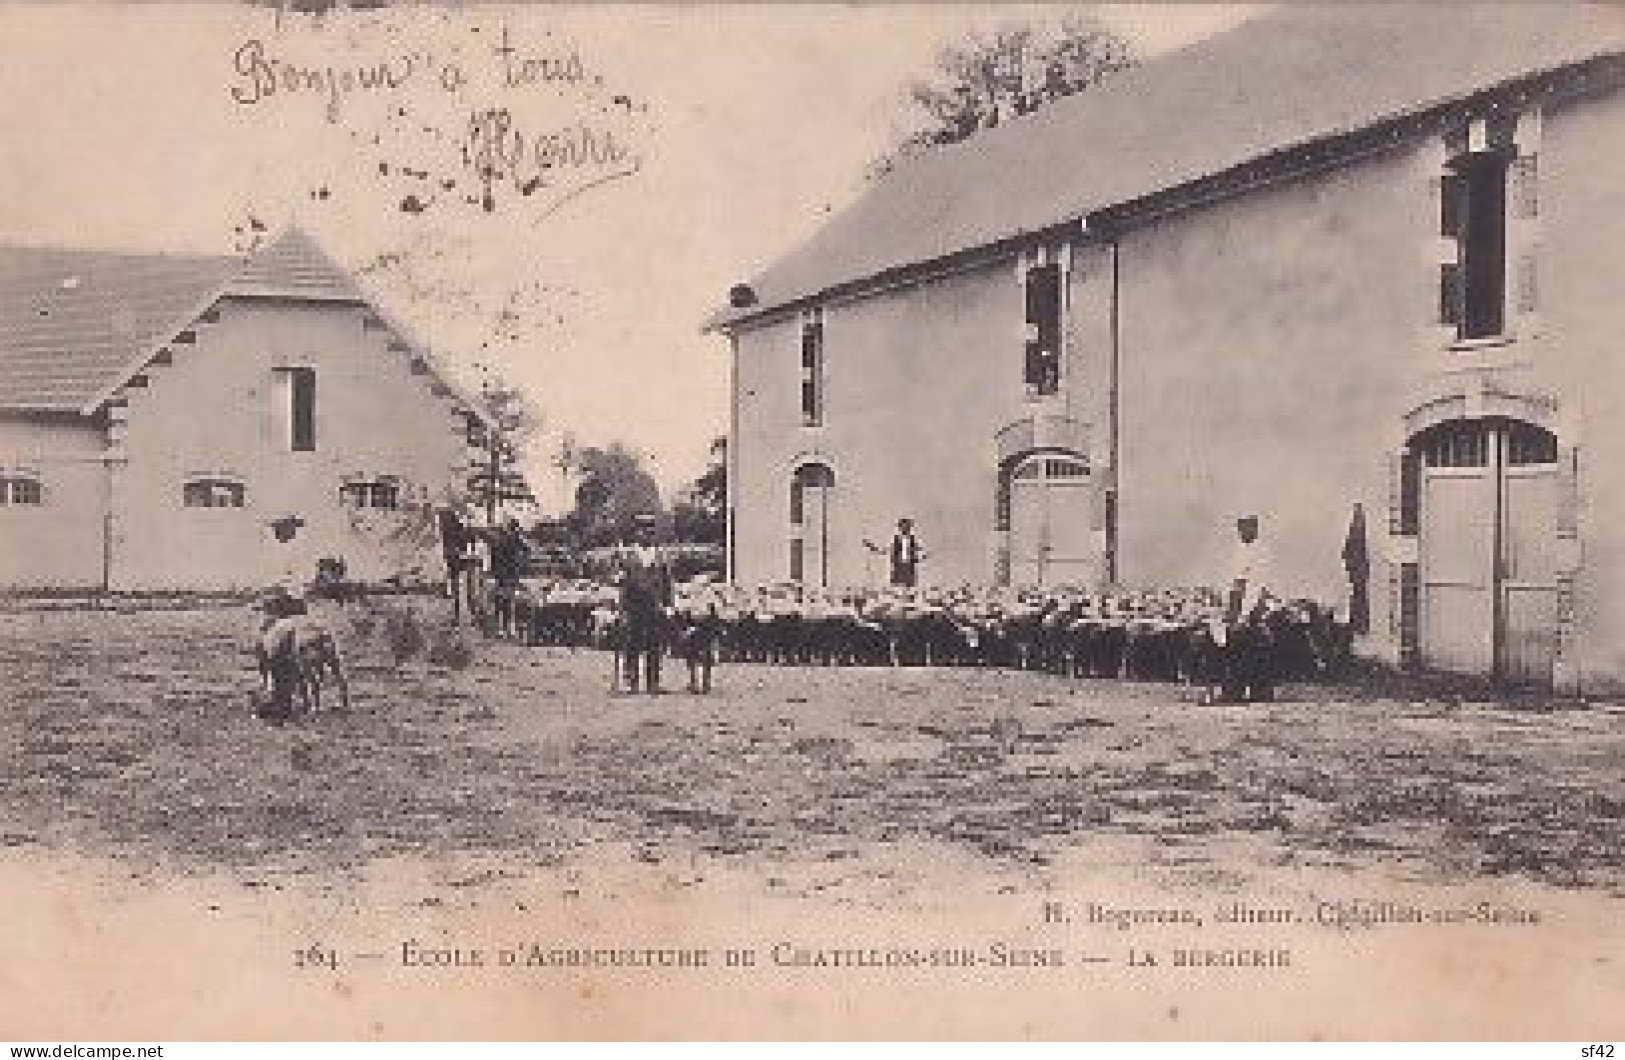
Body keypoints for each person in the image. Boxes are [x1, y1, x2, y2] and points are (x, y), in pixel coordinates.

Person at [1221, 514, 1277, 703]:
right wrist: (1231, 609)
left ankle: (1251, 691)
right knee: (1241, 649)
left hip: (1251, 605)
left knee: (1248, 649)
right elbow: (1235, 582)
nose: (1242, 532)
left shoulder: (1261, 552)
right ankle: (1243, 690)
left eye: (1247, 527)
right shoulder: (1239, 551)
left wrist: (1246, 613)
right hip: (1239, 603)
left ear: (1255, 529)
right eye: (1240, 528)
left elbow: (1256, 585)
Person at [617, 514, 674, 693]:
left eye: (650, 531)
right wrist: (621, 607)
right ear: (636, 533)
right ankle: (631, 681)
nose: (646, 535)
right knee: (632, 643)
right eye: (642, 531)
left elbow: (667, 582)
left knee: (654, 644)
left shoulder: (661, 556)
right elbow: (623, 584)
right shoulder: (628, 556)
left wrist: (669, 604)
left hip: (654, 606)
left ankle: (653, 682)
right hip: (634, 606)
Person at [880, 518, 925, 588]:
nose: (905, 528)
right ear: (900, 528)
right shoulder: (897, 538)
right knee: (898, 579)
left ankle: (909, 591)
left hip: (909, 561)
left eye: (906, 526)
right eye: (902, 526)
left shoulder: (912, 538)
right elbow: (893, 549)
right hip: (899, 561)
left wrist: (918, 554)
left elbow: (916, 548)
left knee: (909, 580)